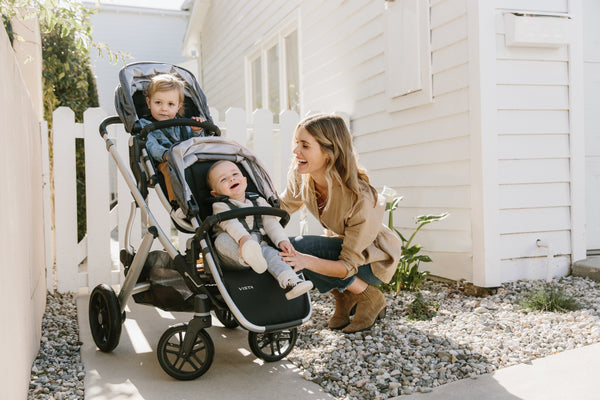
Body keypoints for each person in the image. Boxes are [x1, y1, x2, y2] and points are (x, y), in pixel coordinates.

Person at [279, 113, 402, 333]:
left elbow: (347, 264)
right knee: (284, 248)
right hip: (342, 249)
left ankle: (368, 296)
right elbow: (282, 206)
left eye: (305, 145)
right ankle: (345, 297)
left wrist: (304, 260)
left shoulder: (360, 198)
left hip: (372, 259)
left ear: (329, 153)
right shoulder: (304, 176)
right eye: (296, 143)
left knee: (297, 249)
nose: (295, 151)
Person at [207, 160, 313, 300]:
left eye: (235, 174)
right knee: (221, 240)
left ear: (245, 180)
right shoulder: (220, 206)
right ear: (215, 193)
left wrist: (282, 240)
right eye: (223, 179)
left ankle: (291, 282)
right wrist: (243, 239)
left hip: (258, 247)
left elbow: (271, 223)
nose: (232, 179)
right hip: (234, 254)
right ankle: (248, 256)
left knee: (275, 255)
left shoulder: (258, 201)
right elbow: (231, 224)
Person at [140, 73, 206, 201]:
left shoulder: (183, 124)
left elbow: (194, 142)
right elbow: (150, 145)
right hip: (165, 161)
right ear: (149, 102)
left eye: (170, 104)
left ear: (178, 106)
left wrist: (196, 130)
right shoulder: (145, 125)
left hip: (187, 159)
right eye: (158, 102)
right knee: (169, 168)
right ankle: (178, 202)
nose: (164, 108)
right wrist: (165, 154)